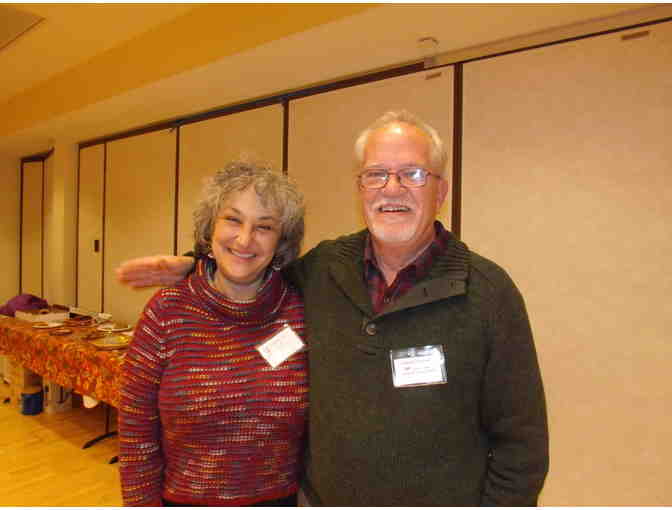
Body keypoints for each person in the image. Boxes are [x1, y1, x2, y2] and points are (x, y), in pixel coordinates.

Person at [117, 110, 549, 506]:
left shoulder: (488, 294)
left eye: (412, 174)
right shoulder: (324, 269)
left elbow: (522, 447)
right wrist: (198, 263)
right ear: (360, 188)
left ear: (441, 190)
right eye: (376, 174)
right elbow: (251, 267)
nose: (391, 189)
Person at [118, 162, 308, 506]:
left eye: (264, 227)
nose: (245, 239)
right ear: (210, 227)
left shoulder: (302, 310)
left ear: (281, 242)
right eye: (233, 220)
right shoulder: (167, 311)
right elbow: (136, 432)